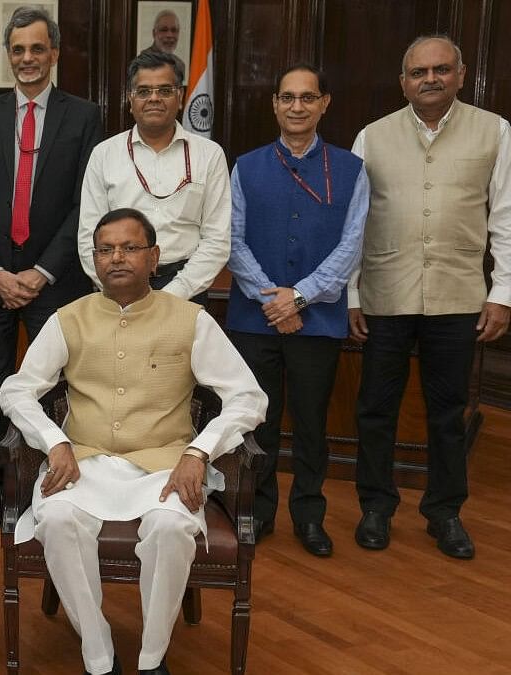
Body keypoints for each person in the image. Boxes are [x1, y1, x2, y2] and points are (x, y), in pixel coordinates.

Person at [0, 208, 265, 675]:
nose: (116, 258)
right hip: (83, 462)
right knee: (58, 518)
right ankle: (98, 653)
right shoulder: (69, 318)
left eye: (129, 247)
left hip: (164, 466)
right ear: (94, 259)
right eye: (106, 250)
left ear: (154, 257)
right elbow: (17, 388)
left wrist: (199, 451)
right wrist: (52, 440)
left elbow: (247, 397)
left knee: (169, 528)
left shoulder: (191, 319)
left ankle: (151, 657)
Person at [349, 35, 510, 559]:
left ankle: (445, 512)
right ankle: (375, 506)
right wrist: (351, 295)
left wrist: (504, 291)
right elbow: (353, 226)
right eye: (419, 72)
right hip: (384, 294)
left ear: (462, 75)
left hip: (458, 295)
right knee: (376, 408)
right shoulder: (371, 137)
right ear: (403, 82)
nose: (431, 79)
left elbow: (506, 219)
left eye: (441, 69)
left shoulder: (496, 132)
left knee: (448, 412)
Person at [0, 6, 101, 531]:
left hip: (54, 283)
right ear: (8, 55)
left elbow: (86, 205)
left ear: (54, 53)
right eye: (18, 49)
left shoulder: (84, 117)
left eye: (38, 49)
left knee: (54, 390)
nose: (28, 59)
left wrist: (41, 271)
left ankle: (45, 486)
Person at [225, 64, 368, 557]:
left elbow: (352, 246)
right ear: (275, 104)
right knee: (257, 422)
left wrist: (300, 297)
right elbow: (233, 241)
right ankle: (257, 512)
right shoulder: (245, 166)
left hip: (318, 322)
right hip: (254, 321)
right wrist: (273, 299)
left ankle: (309, 516)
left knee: (310, 424)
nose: (297, 107)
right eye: (288, 98)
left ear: (324, 103)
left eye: (308, 97)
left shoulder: (351, 169)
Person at [78, 50, 230, 303]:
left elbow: (217, 239)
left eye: (165, 90)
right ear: (131, 99)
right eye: (144, 91)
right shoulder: (104, 155)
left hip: (187, 290)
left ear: (180, 97)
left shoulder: (209, 155)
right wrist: (121, 288)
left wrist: (174, 294)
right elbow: (88, 237)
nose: (154, 98)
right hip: (118, 290)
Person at [139, 9, 187, 79]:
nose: (169, 35)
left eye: (174, 30)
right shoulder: (142, 62)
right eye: (164, 30)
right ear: (154, 33)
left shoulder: (180, 65)